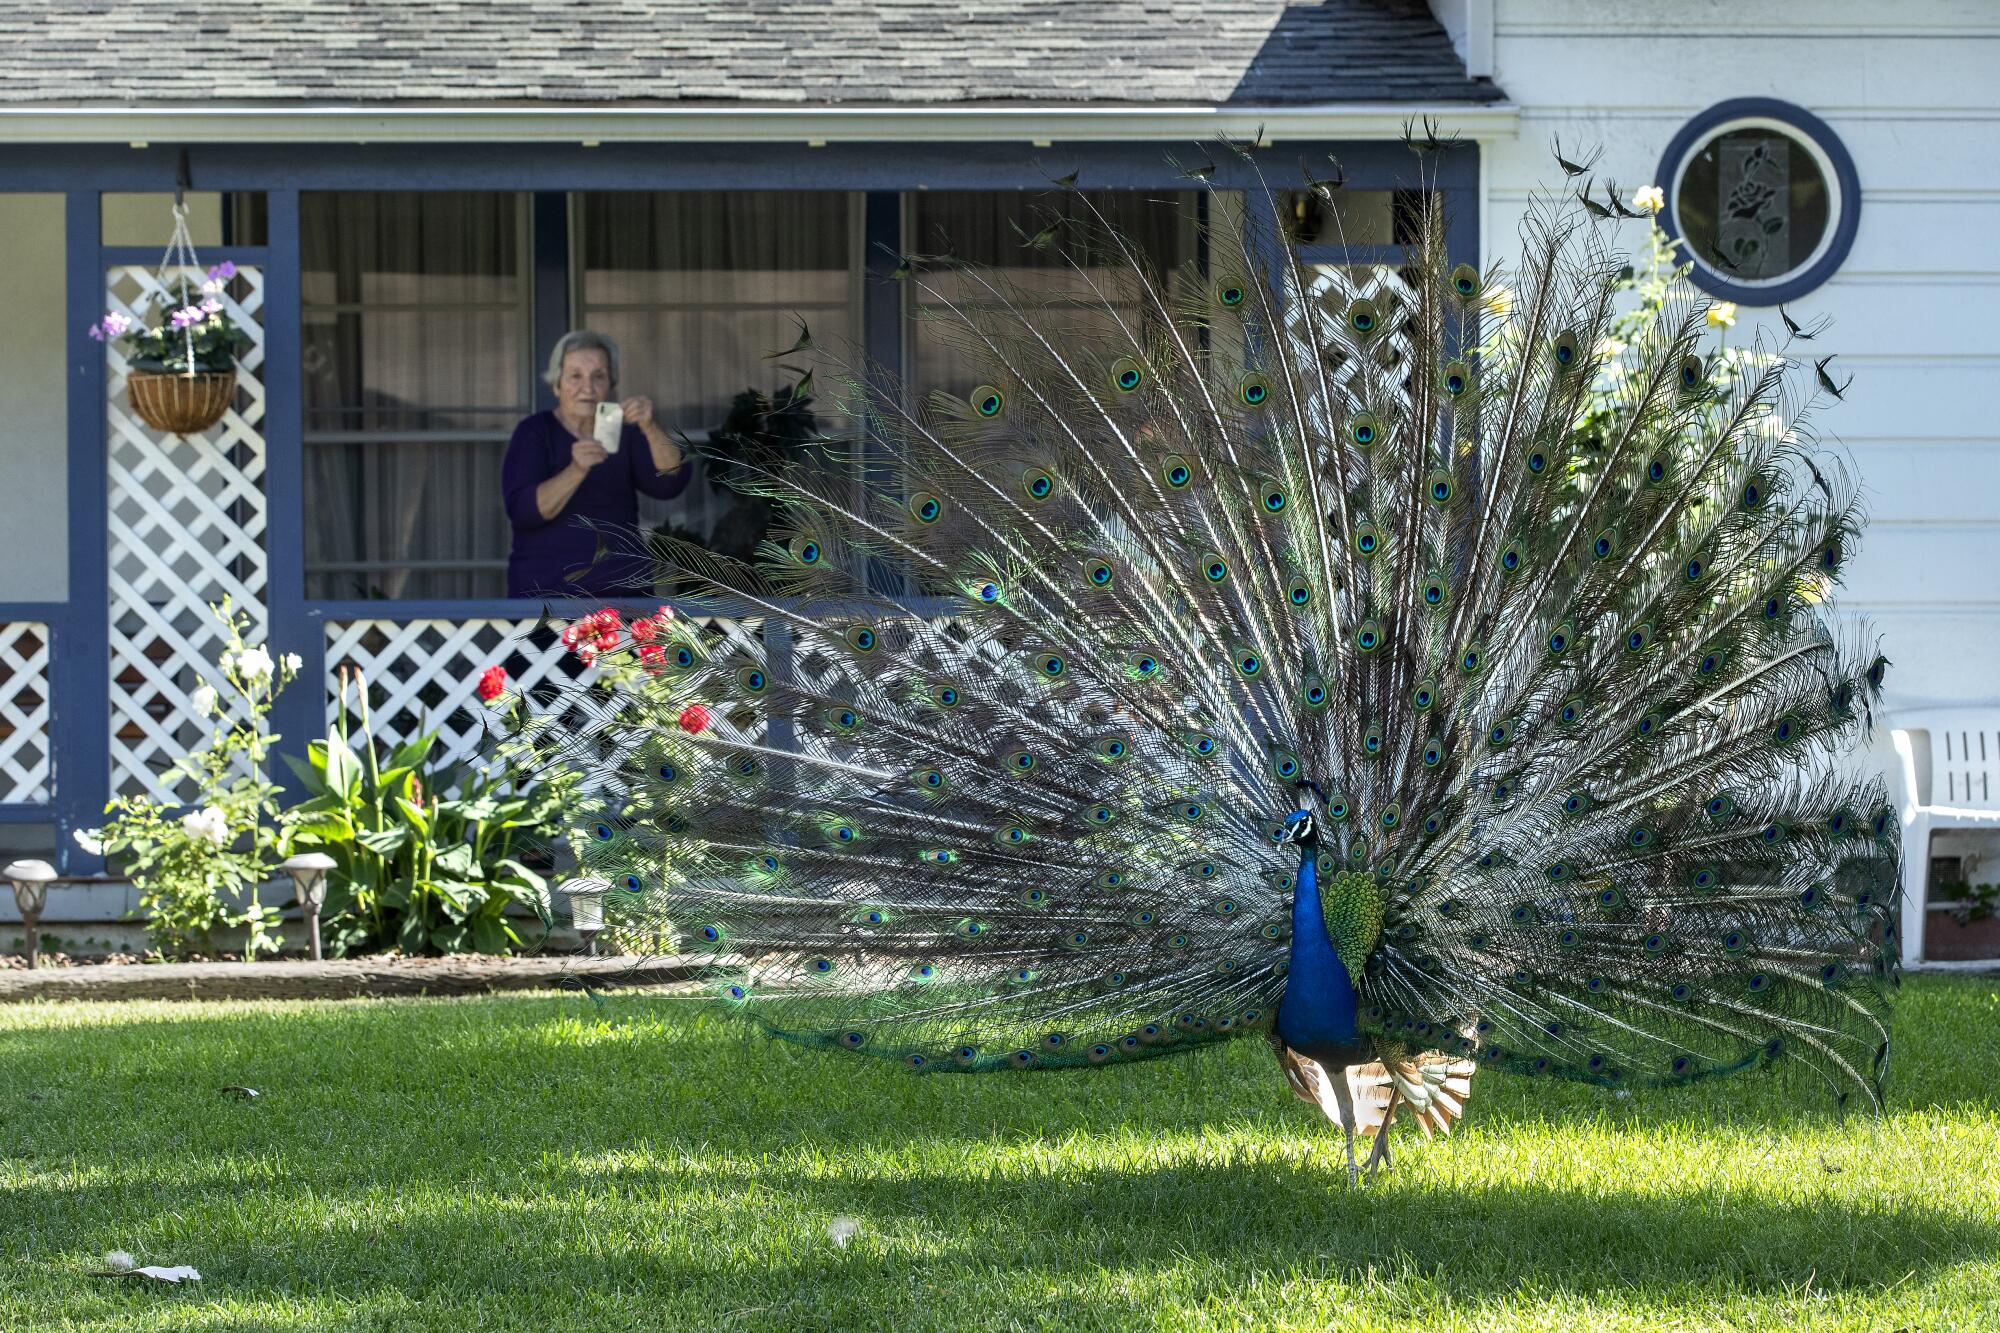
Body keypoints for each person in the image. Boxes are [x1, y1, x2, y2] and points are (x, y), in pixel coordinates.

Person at [502, 330, 691, 599]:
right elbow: (524, 512)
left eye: (599, 376)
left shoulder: (621, 429)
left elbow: (670, 483)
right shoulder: (535, 431)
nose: (588, 388)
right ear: (557, 385)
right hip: (548, 598)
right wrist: (576, 469)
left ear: (611, 384)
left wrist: (649, 426)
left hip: (623, 597)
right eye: (575, 376)